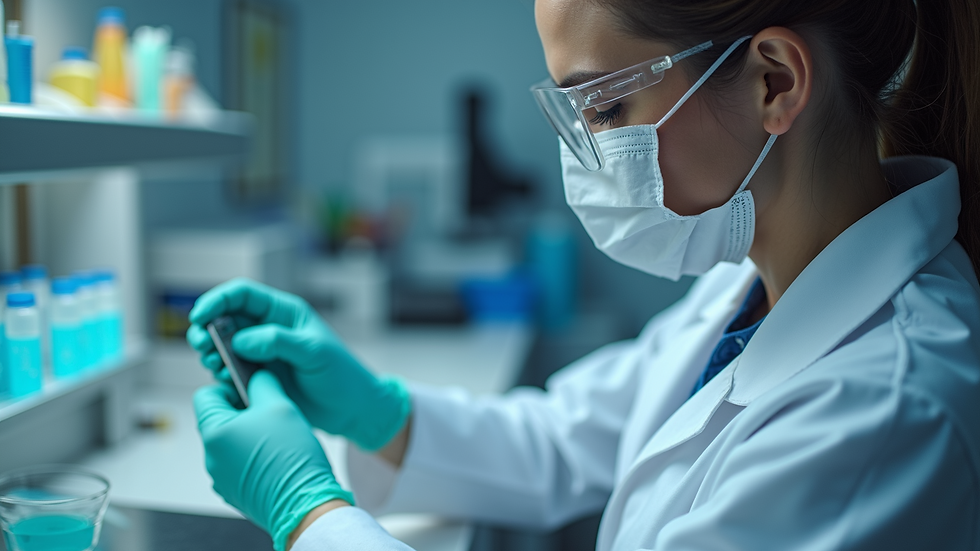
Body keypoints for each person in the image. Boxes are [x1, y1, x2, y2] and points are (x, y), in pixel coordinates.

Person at [187, 1, 980, 550]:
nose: (586, 155)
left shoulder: (884, 413)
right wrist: (380, 413)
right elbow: (566, 442)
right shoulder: (751, 277)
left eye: (602, 109)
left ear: (773, 80)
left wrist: (311, 515)